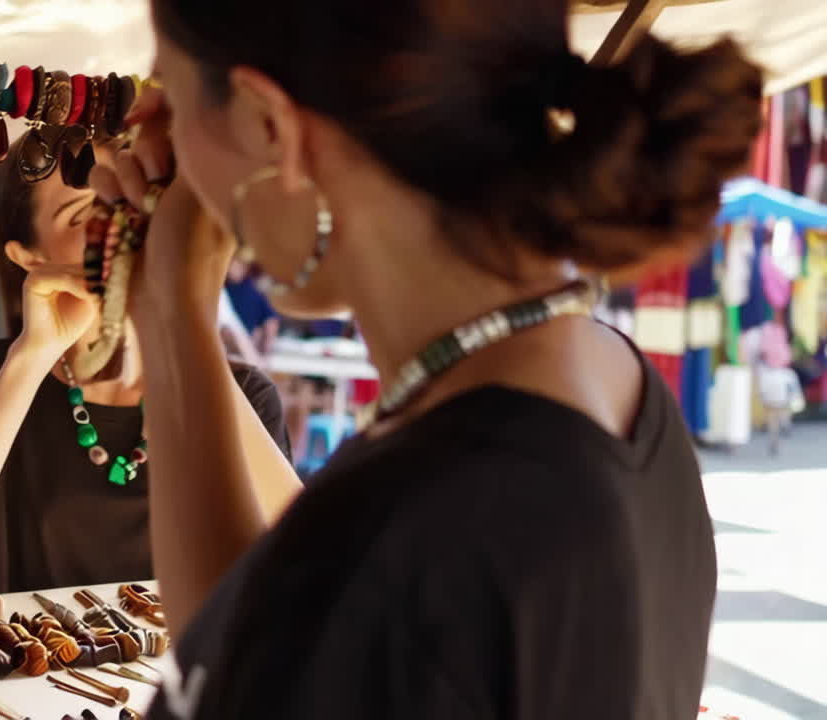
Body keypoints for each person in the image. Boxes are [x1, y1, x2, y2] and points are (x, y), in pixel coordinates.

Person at [89, 2, 763, 717]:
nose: (167, 148)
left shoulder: (410, 533)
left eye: (175, 97)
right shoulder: (620, 399)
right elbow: (252, 657)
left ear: (267, 124)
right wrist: (174, 303)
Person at [0, 137, 300, 601]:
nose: (120, 226)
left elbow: (290, 545)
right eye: (84, 213)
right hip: (22, 664)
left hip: (180, 669)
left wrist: (186, 326)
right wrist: (34, 352)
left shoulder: (243, 391)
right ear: (30, 257)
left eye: (131, 201)